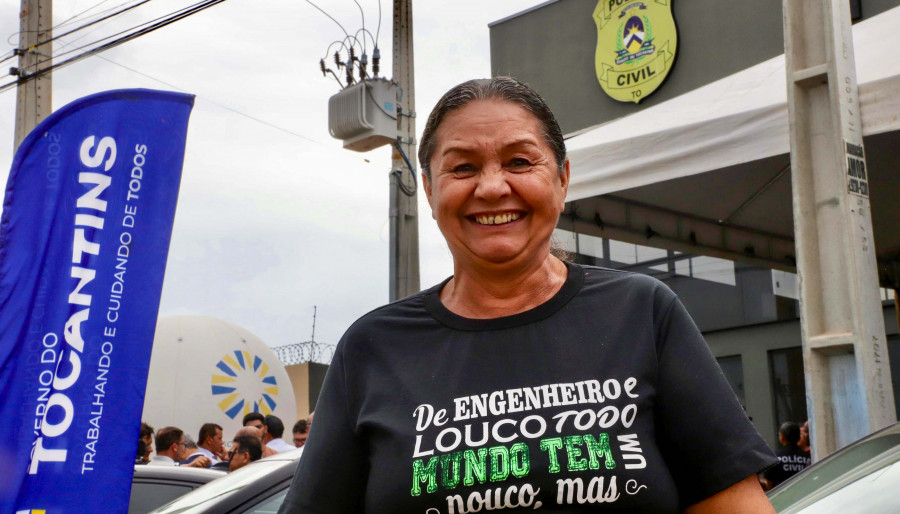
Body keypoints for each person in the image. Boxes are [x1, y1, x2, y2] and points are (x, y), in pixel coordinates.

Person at [278, 77, 777, 513]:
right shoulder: (372, 347)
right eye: (463, 168)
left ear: (562, 179)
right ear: (429, 190)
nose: (493, 187)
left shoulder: (641, 312)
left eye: (519, 161)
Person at [763, 422, 811, 489]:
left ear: (782, 437)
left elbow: (769, 486)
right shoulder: (808, 457)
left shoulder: (774, 457)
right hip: (804, 493)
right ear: (799, 437)